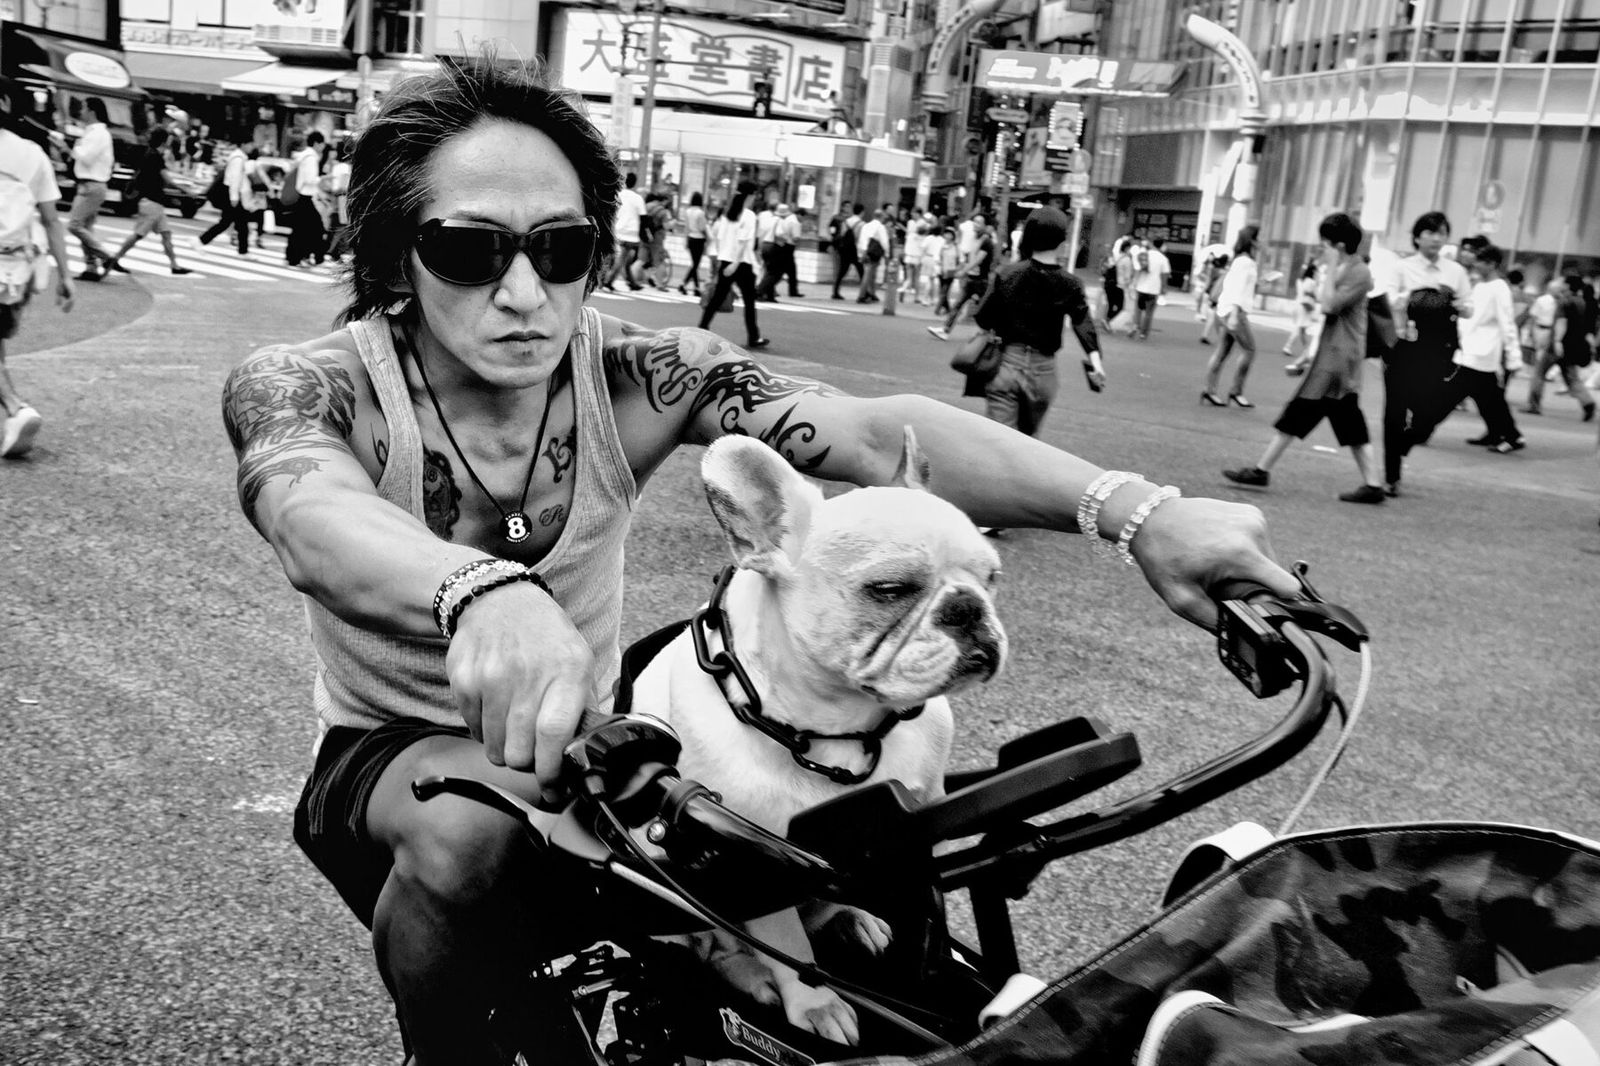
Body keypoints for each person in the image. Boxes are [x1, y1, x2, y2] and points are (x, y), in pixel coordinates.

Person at [220, 59, 1303, 1066]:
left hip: (601, 750)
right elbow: (306, 510)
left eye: (560, 249)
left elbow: (877, 435)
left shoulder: (640, 370)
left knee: (861, 865)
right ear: (392, 251)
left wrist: (1140, 513)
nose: (522, 292)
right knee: (470, 832)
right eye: (469, 249)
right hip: (396, 757)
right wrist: (478, 589)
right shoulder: (314, 384)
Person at [1222, 213, 1386, 504]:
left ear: (1339, 244)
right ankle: (1372, 484)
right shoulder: (1344, 268)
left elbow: (1329, 306)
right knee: (1338, 419)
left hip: (1338, 361)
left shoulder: (1359, 272)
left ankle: (1262, 470)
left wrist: (1332, 265)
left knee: (1305, 414)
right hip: (1331, 358)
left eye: (1326, 244)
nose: (1321, 248)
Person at [969, 206, 1106, 473]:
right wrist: (1096, 362)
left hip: (1008, 362)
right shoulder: (1071, 284)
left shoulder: (1008, 274)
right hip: (1044, 371)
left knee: (998, 444)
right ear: (1063, 240)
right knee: (1027, 445)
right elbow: (1083, 323)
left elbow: (983, 317)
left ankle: (995, 500)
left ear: (1029, 236)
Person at [0, 81, 75, 458]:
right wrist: (66, 274)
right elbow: (51, 221)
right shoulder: (32, 154)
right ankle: (12, 416)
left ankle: (15, 407)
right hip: (14, 267)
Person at [1381, 211, 1472, 496]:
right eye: (1430, 232)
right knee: (1394, 413)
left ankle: (1406, 442)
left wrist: (1453, 301)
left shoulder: (1455, 271)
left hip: (1438, 351)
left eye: (1441, 232)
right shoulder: (1402, 268)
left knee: (1427, 414)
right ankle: (1391, 476)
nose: (1436, 238)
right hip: (1403, 347)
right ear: (1417, 237)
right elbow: (1388, 300)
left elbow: (1469, 308)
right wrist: (1418, 295)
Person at [1407, 242, 1524, 453]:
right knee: (1489, 400)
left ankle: (1419, 431)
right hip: (1473, 352)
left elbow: (1507, 324)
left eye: (1480, 261)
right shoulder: (1480, 286)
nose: (1475, 264)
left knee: (1446, 396)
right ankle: (1509, 435)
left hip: (1480, 353)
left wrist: (1513, 355)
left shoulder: (1499, 289)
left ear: (1491, 264)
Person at [101, 127, 193, 277]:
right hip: (151, 203)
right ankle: (113, 259)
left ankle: (174, 265)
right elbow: (167, 180)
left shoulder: (149, 153)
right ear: (164, 140)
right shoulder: (155, 156)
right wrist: (186, 191)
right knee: (138, 235)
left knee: (166, 234)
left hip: (154, 202)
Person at [696, 185, 767, 348]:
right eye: (754, 196)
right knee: (749, 301)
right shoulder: (749, 215)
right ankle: (754, 337)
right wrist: (735, 264)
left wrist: (723, 262)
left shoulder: (728, 214)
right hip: (741, 263)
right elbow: (743, 242)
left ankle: (702, 327)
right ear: (749, 196)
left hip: (726, 261)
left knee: (717, 298)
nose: (754, 199)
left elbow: (719, 239)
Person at [1201, 225, 1260, 407]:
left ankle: (1210, 391)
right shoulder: (1246, 262)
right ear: (1253, 241)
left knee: (1222, 351)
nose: (1262, 243)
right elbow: (1238, 290)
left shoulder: (1239, 260)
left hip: (1225, 310)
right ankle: (1236, 392)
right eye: (1259, 238)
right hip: (1235, 311)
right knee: (1249, 350)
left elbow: (1239, 287)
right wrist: (1235, 315)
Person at [1524, 275, 1596, 421]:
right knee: (1572, 378)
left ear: (1568, 286)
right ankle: (1588, 402)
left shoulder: (1565, 302)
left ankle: (1534, 405)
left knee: (1539, 372)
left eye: (1564, 283)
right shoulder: (1582, 302)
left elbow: (1561, 322)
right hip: (1572, 346)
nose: (1562, 286)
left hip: (1557, 344)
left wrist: (1557, 341)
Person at [62, 96, 117, 282]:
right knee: (86, 228)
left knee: (74, 225)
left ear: (92, 111)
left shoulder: (99, 133)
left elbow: (86, 157)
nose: (81, 111)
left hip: (92, 185)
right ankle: (91, 268)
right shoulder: (91, 132)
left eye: (84, 108)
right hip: (90, 184)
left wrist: (68, 148)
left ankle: (106, 257)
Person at [925, 214, 993, 340]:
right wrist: (962, 269)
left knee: (986, 309)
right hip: (971, 279)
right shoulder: (976, 239)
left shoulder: (986, 242)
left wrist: (963, 271)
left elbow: (977, 261)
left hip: (981, 282)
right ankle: (945, 330)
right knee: (958, 304)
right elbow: (969, 259)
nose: (975, 224)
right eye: (974, 221)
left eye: (979, 222)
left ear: (985, 225)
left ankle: (995, 334)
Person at [197, 140, 252, 256]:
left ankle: (201, 240)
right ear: (243, 144)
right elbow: (235, 179)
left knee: (228, 223)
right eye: (250, 144)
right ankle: (243, 251)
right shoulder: (238, 158)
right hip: (233, 194)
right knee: (238, 224)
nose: (252, 147)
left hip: (232, 194)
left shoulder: (238, 157)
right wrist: (234, 197)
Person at [284, 130, 328, 268]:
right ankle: (307, 257)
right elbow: (310, 179)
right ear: (316, 143)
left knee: (301, 229)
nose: (322, 147)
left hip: (302, 197)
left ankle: (295, 257)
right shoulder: (311, 157)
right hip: (305, 197)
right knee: (315, 228)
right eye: (321, 144)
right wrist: (322, 178)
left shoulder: (304, 155)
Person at [603, 172, 645, 291]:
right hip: (632, 234)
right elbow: (644, 218)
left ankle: (631, 282)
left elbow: (612, 212)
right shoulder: (638, 198)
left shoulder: (619, 195)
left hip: (618, 230)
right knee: (623, 258)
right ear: (635, 183)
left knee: (624, 258)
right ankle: (608, 281)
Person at [1282, 262, 1321, 369]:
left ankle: (1306, 350)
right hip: (1305, 307)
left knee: (1302, 329)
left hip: (1298, 304)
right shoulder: (1312, 282)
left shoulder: (1300, 281)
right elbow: (1318, 297)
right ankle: (1288, 346)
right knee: (1300, 327)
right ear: (1313, 272)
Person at [1132, 237, 1170, 340]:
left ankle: (1135, 326)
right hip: (1154, 289)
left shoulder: (1145, 255)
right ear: (1161, 246)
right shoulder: (1163, 259)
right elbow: (1165, 275)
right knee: (1149, 313)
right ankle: (1143, 333)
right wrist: (1164, 288)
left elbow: (1137, 270)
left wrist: (1134, 282)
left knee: (1138, 309)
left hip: (1141, 287)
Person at [828, 203, 864, 299]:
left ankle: (835, 292)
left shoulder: (846, 221)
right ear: (862, 212)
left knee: (842, 271)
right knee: (861, 271)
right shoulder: (861, 223)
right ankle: (864, 293)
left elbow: (841, 234)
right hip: (855, 249)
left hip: (844, 249)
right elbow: (859, 238)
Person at [855, 207, 890, 304]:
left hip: (864, 252)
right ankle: (861, 295)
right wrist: (887, 253)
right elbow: (884, 242)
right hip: (874, 253)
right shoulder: (880, 227)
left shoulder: (866, 226)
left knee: (870, 274)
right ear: (881, 217)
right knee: (869, 274)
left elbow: (861, 240)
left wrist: (861, 253)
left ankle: (872, 293)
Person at [676, 191, 706, 296]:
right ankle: (684, 284)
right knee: (695, 265)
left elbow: (686, 228)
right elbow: (702, 228)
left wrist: (685, 240)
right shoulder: (700, 213)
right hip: (699, 239)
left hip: (691, 238)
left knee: (694, 264)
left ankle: (696, 288)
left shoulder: (688, 211)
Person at [772, 203, 802, 298]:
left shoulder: (784, 220)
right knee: (784, 271)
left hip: (781, 246)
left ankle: (792, 290)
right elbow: (796, 237)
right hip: (789, 247)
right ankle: (766, 287)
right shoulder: (794, 222)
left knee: (788, 270)